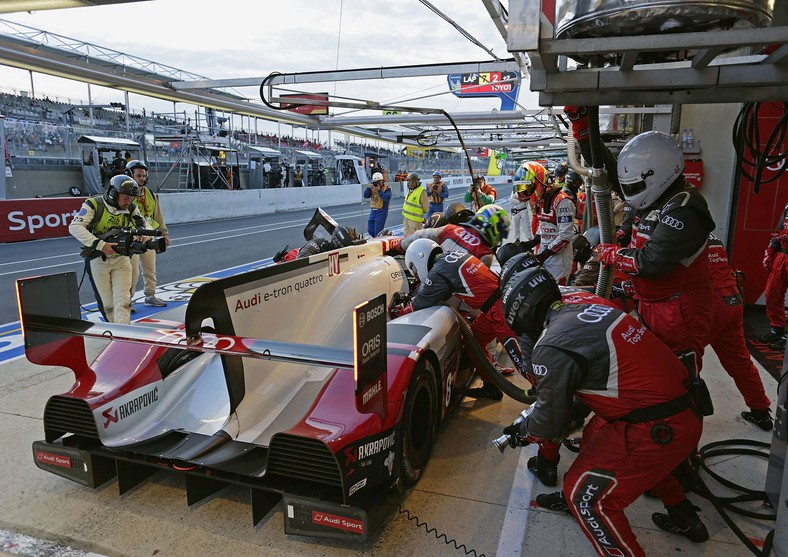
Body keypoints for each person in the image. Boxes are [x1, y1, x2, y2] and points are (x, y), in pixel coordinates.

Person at [499, 266, 709, 556]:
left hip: (659, 424)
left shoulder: (552, 343)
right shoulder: (586, 303)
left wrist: (524, 430)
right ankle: (684, 515)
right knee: (596, 439)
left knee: (585, 498)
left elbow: (550, 420)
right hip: (679, 408)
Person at [591, 127, 716, 376]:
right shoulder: (657, 199)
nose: (631, 193)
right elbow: (606, 169)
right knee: (655, 374)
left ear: (657, 175)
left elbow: (651, 262)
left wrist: (612, 254)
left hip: (679, 312)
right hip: (655, 305)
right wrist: (585, 133)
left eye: (636, 185)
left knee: (677, 378)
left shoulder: (685, 207)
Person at [400, 239, 527, 400]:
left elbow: (419, 303)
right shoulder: (453, 256)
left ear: (420, 257)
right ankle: (491, 386)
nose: (416, 273)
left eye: (414, 268)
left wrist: (398, 312)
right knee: (474, 341)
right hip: (496, 305)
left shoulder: (438, 271)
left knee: (521, 360)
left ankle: (546, 397)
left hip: (499, 310)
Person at [706, 234, 773, 429]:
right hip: (732, 299)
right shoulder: (711, 234)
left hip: (707, 304)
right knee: (740, 361)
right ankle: (761, 412)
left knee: (685, 364)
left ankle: (685, 428)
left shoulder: (673, 228)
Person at [69, 175, 145, 325]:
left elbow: (143, 224)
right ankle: (115, 333)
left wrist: (143, 234)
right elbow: (74, 227)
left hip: (122, 259)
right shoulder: (93, 204)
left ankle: (124, 334)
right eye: (125, 198)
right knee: (108, 305)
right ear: (113, 193)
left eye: (131, 199)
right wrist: (100, 244)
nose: (128, 202)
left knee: (123, 301)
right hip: (98, 259)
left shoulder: (131, 207)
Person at [515, 160, 577, 284]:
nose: (525, 192)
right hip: (545, 254)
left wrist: (544, 255)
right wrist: (532, 242)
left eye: (528, 188)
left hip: (559, 261)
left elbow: (565, 236)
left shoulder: (562, 201)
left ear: (539, 182)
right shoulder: (542, 200)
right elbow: (543, 226)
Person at [400, 204, 510, 268]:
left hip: (428, 274)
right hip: (450, 295)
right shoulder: (486, 254)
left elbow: (420, 235)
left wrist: (400, 245)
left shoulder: (451, 229)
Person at [126, 160, 169, 309]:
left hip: (149, 233)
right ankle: (127, 301)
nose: (143, 179)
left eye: (144, 176)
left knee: (150, 268)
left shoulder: (150, 193)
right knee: (132, 272)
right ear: (130, 175)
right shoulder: (124, 195)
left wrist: (164, 233)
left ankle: (150, 295)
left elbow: (158, 215)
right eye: (139, 176)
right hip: (133, 238)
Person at [761, 200, 788, 349]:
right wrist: (770, 250)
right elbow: (778, 230)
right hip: (783, 256)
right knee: (772, 293)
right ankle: (777, 330)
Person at [363, 172, 391, 237]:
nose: (376, 184)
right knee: (370, 230)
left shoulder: (387, 188)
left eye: (378, 182)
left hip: (382, 211)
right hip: (373, 211)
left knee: (377, 231)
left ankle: (378, 241)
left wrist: (379, 191)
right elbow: (365, 195)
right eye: (375, 182)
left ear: (382, 181)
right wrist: (369, 188)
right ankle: (376, 239)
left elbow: (387, 198)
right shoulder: (372, 188)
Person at [509, 179, 534, 244]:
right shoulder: (514, 191)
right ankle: (517, 239)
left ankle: (529, 238)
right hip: (516, 210)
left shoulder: (526, 191)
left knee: (526, 226)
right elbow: (511, 200)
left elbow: (529, 197)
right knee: (515, 226)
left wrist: (520, 200)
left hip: (523, 209)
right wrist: (520, 200)